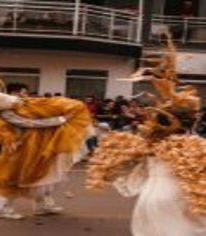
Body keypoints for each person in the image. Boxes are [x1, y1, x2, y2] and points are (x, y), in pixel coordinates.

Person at [86, 35, 206, 236]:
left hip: (148, 197)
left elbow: (125, 173)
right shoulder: (196, 144)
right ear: (192, 122)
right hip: (177, 199)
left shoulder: (148, 145)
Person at [0, 83, 92, 219]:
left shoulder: (12, 105)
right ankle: (1, 209)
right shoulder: (5, 111)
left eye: (24, 93)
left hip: (35, 145)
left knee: (46, 172)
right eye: (22, 93)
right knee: (16, 176)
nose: (24, 96)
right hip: (22, 147)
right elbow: (27, 123)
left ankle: (42, 205)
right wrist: (60, 119)